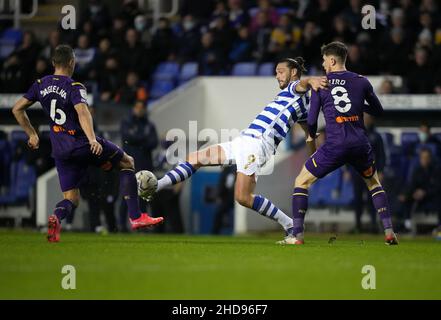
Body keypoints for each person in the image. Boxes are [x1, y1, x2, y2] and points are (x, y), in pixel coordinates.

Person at [141, 57, 328, 236]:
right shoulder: (300, 106)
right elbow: (309, 136)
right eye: (276, 72)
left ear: (293, 72)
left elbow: (304, 86)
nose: (277, 76)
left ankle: (288, 223)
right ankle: (157, 185)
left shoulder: (293, 89)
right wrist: (314, 154)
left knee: (243, 197)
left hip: (257, 145)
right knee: (194, 158)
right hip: (242, 140)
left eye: (280, 72)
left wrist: (312, 80)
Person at [11, 45, 163, 242]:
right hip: (80, 142)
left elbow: (17, 109)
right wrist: (92, 139)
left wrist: (31, 134)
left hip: (60, 150)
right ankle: (136, 217)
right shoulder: (75, 87)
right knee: (127, 162)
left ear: (53, 63)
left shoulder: (40, 84)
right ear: (72, 63)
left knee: (71, 198)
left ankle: (56, 218)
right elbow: (83, 112)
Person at [282, 42, 398, 245]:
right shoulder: (361, 81)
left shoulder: (321, 83)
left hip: (335, 145)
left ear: (333, 60)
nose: (323, 64)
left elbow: (311, 120)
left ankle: (297, 236)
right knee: (373, 183)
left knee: (301, 181)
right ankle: (389, 232)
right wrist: (356, 102)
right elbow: (379, 111)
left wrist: (310, 135)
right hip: (360, 144)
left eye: (325, 60)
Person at [350, 114, 386, 233]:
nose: (366, 119)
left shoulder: (376, 136)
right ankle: (357, 225)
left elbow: (381, 155)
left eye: (368, 117)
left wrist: (380, 171)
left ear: (372, 119)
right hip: (357, 171)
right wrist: (347, 169)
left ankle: (373, 225)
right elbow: (348, 151)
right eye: (364, 117)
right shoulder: (354, 132)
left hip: (371, 171)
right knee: (357, 199)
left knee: (372, 199)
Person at [398, 148, 441, 233]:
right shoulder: (417, 170)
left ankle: (439, 226)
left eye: (426, 157)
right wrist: (407, 194)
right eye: (422, 158)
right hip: (420, 197)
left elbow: (437, 187)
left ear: (430, 158)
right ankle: (407, 225)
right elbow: (412, 185)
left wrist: (424, 192)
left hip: (432, 196)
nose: (424, 160)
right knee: (406, 198)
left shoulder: (436, 170)